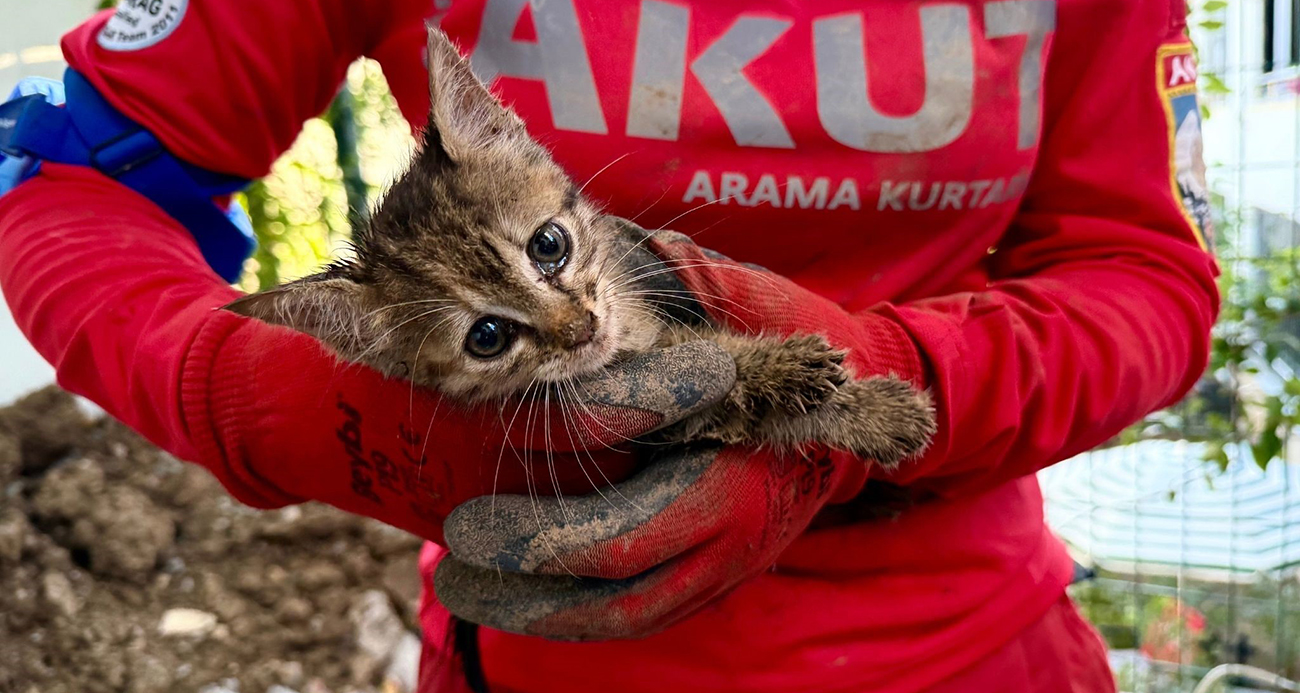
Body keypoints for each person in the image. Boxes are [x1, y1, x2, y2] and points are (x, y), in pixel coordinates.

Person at [0, 1, 1219, 692]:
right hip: (544, 638)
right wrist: (285, 404)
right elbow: (70, 175)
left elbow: (1146, 278)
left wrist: (883, 390)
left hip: (961, 642)